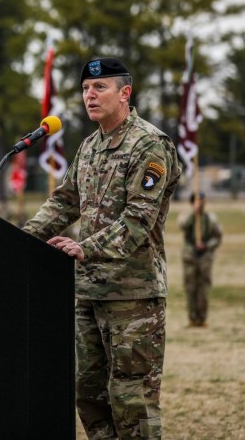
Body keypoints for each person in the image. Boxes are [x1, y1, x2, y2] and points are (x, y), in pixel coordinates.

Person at [21, 57, 181, 439]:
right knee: (89, 396)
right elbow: (63, 203)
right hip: (89, 292)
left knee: (131, 400)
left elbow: (137, 222)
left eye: (99, 88)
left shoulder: (149, 146)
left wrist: (84, 248)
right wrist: (19, 240)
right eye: (85, 90)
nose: (89, 96)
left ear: (125, 93)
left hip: (133, 295)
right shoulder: (91, 147)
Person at [177, 192, 222, 328]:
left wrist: (207, 245)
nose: (201, 203)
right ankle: (192, 317)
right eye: (198, 201)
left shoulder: (211, 218)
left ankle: (202, 318)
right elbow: (183, 226)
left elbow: (217, 236)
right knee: (190, 287)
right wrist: (193, 214)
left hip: (205, 257)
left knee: (204, 287)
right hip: (190, 256)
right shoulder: (186, 216)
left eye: (203, 200)